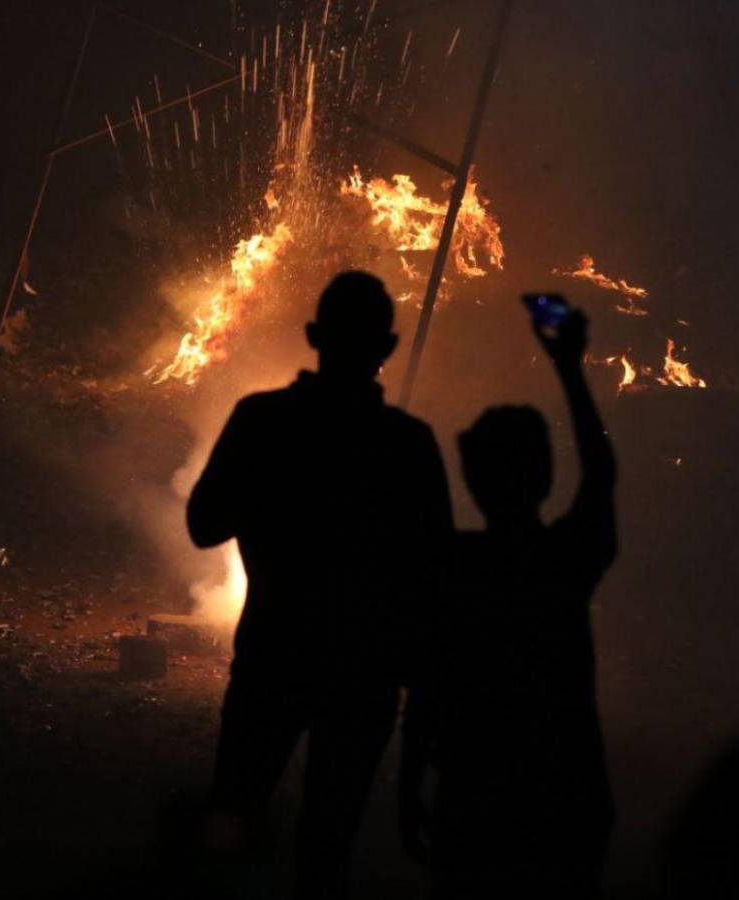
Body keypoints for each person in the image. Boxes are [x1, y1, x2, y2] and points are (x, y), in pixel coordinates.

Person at [187, 271, 453, 899]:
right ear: (386, 348)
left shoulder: (261, 421)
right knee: (328, 844)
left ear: (313, 336)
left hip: (273, 655)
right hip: (366, 674)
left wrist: (270, 495)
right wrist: (425, 700)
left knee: (233, 818)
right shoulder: (408, 446)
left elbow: (204, 525)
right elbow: (433, 581)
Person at [399, 304, 617, 899]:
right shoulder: (563, 561)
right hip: (566, 793)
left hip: (474, 797)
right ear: (545, 478)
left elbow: (425, 683)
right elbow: (601, 477)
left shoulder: (452, 566)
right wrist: (570, 370)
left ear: (471, 478)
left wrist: (408, 774)